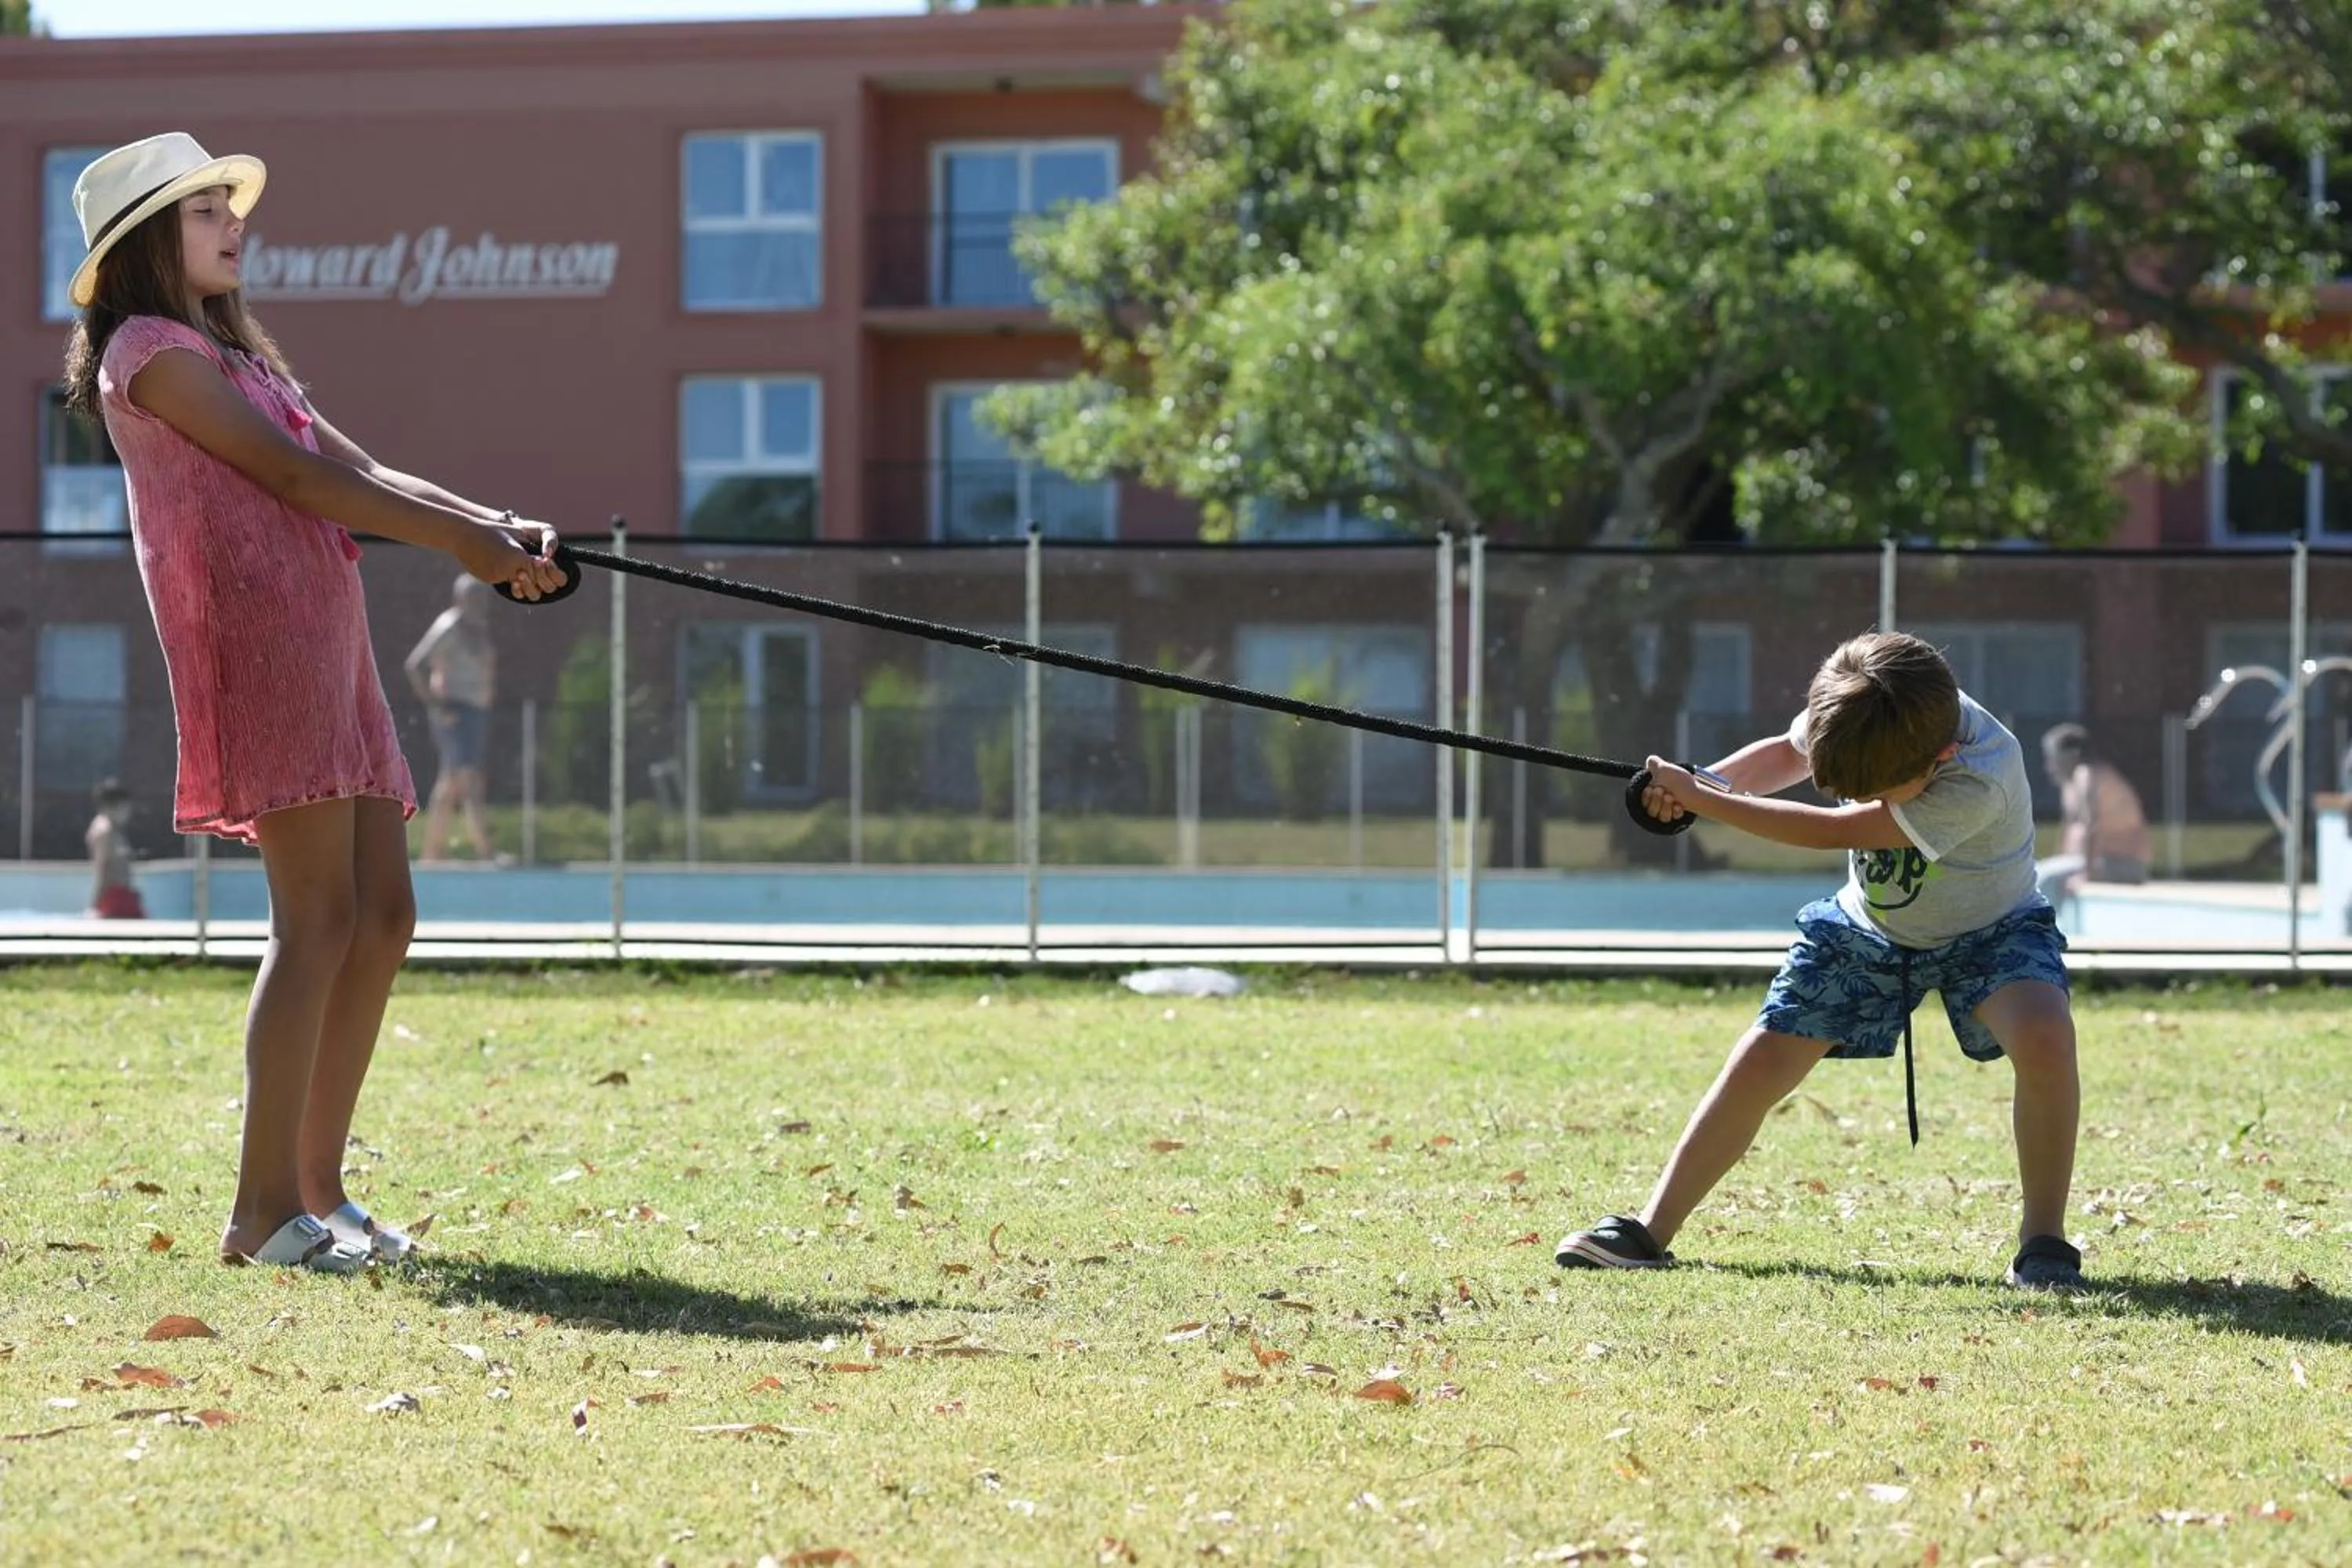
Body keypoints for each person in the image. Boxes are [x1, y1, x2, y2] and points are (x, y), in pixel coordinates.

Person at [61, 133, 566, 1272]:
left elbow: (364, 471)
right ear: (145, 240)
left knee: (382, 916)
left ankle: (319, 1195)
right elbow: (296, 480)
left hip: (327, 641)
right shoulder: (147, 353)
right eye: (204, 211)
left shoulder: (240, 357)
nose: (234, 224)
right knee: (316, 923)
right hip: (257, 647)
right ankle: (260, 1214)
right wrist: (467, 547)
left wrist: (496, 526)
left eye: (229, 207)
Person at [1554, 632, 2084, 1290]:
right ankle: (1649, 1231)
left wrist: (1707, 800)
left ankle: (2044, 1241)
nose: (1862, 797)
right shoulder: (1861, 706)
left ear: (1941, 756)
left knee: (2045, 1036)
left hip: (1992, 929)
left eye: (1877, 791)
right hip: (1869, 926)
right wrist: (1700, 785)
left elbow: (1830, 830)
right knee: (1761, 1058)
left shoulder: (1979, 773)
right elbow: (1785, 753)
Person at [405, 575, 502, 864]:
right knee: (467, 778)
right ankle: (485, 849)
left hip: (476, 710)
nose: (479, 603)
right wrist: (438, 706)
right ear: (460, 598)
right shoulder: (449, 626)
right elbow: (415, 665)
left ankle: (433, 850)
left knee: (450, 781)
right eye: (474, 597)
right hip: (454, 710)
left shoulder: (478, 628)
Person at [2039, 723, 2151, 904]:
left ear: (2072, 755)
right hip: (2095, 862)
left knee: (2046, 880)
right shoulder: (2071, 784)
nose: (2049, 766)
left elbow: (2092, 825)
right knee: (2038, 874)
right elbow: (2070, 832)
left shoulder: (2086, 775)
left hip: (2122, 864)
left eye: (2054, 758)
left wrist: (2087, 874)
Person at [86, 778, 145, 920]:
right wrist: (95, 904)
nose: (128, 813)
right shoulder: (104, 832)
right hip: (114, 898)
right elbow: (103, 868)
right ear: (114, 806)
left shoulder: (112, 830)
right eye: (125, 808)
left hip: (121, 895)